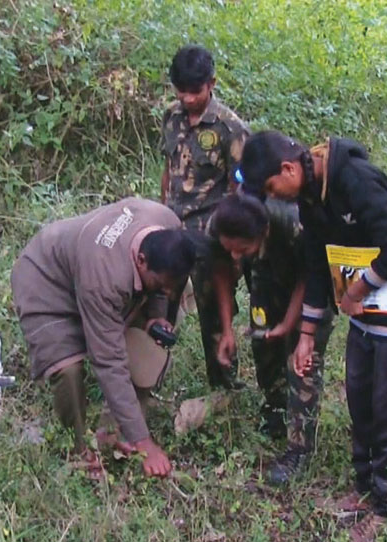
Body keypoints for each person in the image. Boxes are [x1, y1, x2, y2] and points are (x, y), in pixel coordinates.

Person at [239, 131, 387, 542]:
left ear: (289, 169)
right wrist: (307, 333)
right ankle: (365, 489)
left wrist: (357, 290)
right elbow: (317, 264)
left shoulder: (356, 179)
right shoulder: (311, 198)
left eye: (273, 188)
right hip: (365, 317)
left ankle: (386, 505)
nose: (275, 198)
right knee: (360, 402)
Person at [10, 198, 196, 478]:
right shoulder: (104, 277)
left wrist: (159, 312)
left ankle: (116, 427)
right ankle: (79, 451)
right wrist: (145, 444)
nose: (168, 293)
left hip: (90, 273)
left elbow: (166, 285)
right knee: (69, 370)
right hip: (46, 282)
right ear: (141, 261)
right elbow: (108, 361)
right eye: (160, 286)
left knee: (150, 345)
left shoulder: (165, 221)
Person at [209, 194, 335, 485]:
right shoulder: (221, 227)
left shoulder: (294, 224)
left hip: (311, 289)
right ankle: (277, 410)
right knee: (263, 342)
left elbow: (310, 276)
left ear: (263, 233)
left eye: (242, 250)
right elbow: (221, 271)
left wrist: (291, 325)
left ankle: (299, 449)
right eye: (230, 250)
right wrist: (228, 329)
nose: (235, 256)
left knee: (301, 361)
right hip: (268, 276)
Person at [160, 44, 250, 389]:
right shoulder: (172, 116)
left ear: (211, 83)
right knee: (160, 305)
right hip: (172, 227)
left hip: (209, 234)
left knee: (214, 313)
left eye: (194, 91)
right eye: (180, 91)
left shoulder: (230, 128)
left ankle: (224, 385)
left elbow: (241, 189)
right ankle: (148, 380)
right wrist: (160, 211)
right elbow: (168, 169)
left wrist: (226, 241)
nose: (188, 98)